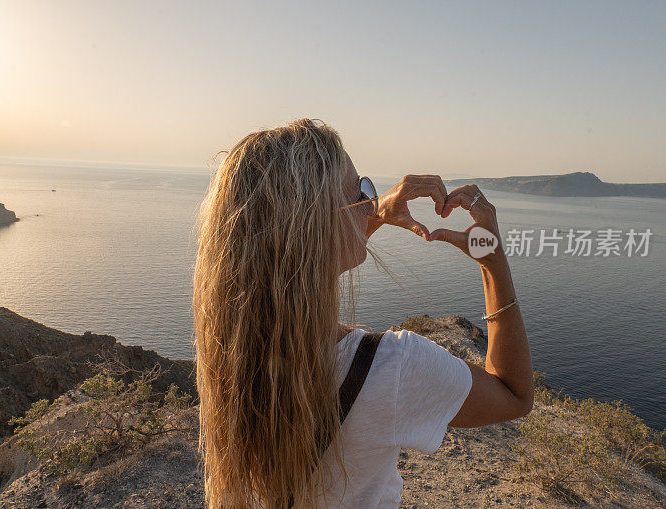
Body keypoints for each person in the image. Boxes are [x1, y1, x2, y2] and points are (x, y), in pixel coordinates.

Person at [192, 118, 533, 508]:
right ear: (319, 226)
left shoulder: (230, 344)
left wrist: (374, 212)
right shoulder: (392, 367)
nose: (372, 202)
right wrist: (493, 262)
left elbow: (299, 268)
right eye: (361, 190)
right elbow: (514, 395)